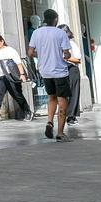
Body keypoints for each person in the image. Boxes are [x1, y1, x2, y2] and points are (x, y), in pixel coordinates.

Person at [28, 9, 72, 141]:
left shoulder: (36, 33)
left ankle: (49, 121)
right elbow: (66, 53)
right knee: (62, 101)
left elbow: (30, 52)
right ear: (56, 19)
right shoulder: (60, 33)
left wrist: (41, 54)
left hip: (45, 72)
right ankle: (60, 133)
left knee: (51, 98)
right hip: (59, 71)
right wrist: (65, 55)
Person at [0, 34, 32, 122]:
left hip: (10, 76)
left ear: (2, 41)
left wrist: (22, 74)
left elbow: (18, 63)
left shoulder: (10, 50)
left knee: (17, 94)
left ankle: (27, 112)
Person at [58, 24, 82, 125]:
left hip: (72, 69)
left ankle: (71, 117)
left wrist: (65, 58)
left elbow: (78, 59)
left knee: (73, 92)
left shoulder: (72, 43)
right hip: (61, 69)